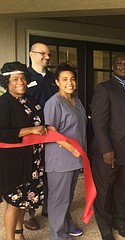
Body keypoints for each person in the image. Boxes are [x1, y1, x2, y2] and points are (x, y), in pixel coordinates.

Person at [91, 53, 125, 240]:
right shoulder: (104, 89)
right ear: (113, 67)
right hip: (108, 151)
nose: (123, 66)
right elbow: (99, 123)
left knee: (122, 189)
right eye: (119, 64)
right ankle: (105, 228)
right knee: (104, 190)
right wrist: (106, 149)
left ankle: (120, 221)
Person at [0, 62, 46, 240]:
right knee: (13, 202)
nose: (21, 82)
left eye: (23, 78)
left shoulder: (30, 100)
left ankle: (19, 234)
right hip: (13, 161)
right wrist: (30, 131)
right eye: (15, 79)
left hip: (32, 159)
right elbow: (2, 133)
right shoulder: (4, 103)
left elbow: (38, 124)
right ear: (7, 82)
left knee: (23, 201)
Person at [44, 63, 87, 239]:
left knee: (67, 197)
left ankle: (67, 224)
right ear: (57, 82)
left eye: (72, 79)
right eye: (65, 79)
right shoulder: (54, 102)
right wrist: (72, 149)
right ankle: (58, 235)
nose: (70, 82)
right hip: (61, 159)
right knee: (58, 200)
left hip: (74, 158)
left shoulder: (76, 100)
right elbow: (51, 132)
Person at [24, 42, 58, 230]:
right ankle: (29, 214)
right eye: (42, 53)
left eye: (48, 54)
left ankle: (48, 207)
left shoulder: (54, 78)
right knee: (32, 173)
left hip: (51, 133)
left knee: (50, 171)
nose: (47, 57)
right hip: (32, 134)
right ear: (31, 54)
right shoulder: (23, 77)